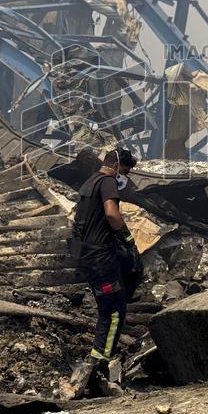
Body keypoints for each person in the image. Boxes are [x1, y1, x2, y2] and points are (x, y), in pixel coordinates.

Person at [65, 148, 143, 396]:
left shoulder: (90, 182)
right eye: (126, 172)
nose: (125, 177)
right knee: (114, 312)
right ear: (117, 166)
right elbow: (111, 213)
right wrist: (128, 238)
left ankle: (100, 359)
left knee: (107, 308)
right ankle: (99, 363)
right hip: (100, 259)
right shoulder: (108, 181)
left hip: (87, 257)